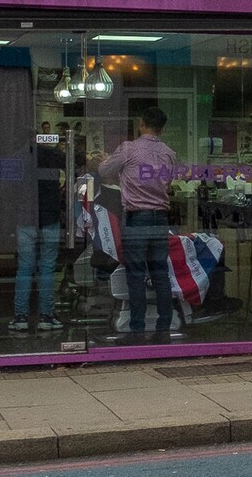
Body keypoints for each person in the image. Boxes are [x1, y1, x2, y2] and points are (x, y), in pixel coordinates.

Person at [98, 107, 178, 338]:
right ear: (162, 129)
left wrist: (105, 160)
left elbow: (104, 170)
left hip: (137, 217)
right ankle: (164, 326)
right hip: (161, 217)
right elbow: (168, 181)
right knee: (160, 272)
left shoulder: (128, 149)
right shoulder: (169, 153)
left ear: (142, 124)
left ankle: (137, 328)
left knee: (135, 274)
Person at [11, 135, 66, 335]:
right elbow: (76, 166)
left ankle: (20, 318)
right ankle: (46, 316)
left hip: (25, 218)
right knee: (47, 269)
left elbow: (7, 189)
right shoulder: (53, 154)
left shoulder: (18, 156)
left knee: (24, 268)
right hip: (50, 216)